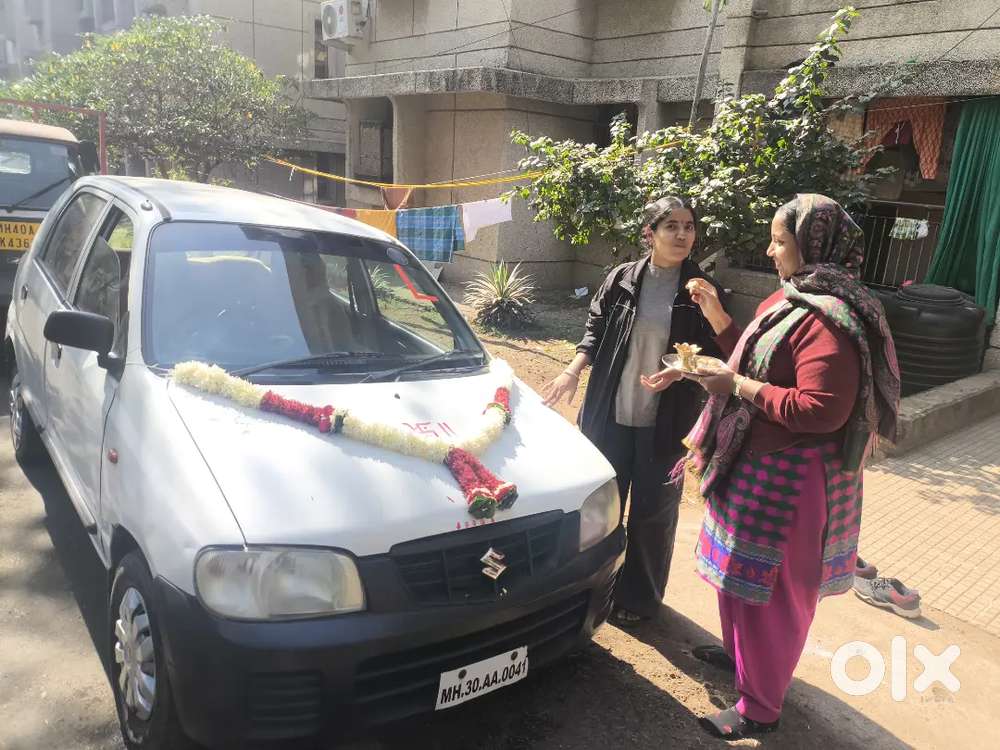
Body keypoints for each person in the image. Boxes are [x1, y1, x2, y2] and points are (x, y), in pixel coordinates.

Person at [675, 194, 900, 739]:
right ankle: (742, 660)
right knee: (739, 578)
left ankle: (760, 706)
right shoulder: (794, 297)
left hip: (793, 482)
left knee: (773, 595)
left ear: (813, 244)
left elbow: (822, 410)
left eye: (780, 240)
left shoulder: (830, 318)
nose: (769, 250)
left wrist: (737, 386)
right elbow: (758, 364)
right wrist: (720, 322)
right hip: (755, 466)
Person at [542, 196, 728, 625]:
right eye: (671, 226)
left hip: (667, 421)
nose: (682, 235)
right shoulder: (622, 278)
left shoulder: (701, 290)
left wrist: (682, 370)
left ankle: (640, 600)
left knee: (653, 515)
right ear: (650, 233)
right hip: (611, 412)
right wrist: (572, 371)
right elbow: (595, 328)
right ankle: (589, 589)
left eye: (688, 226)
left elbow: (717, 352)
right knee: (600, 507)